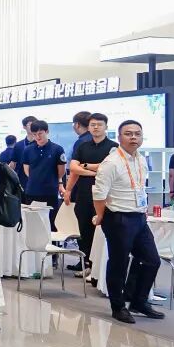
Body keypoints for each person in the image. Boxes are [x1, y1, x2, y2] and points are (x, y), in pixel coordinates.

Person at [92, 120, 166, 324]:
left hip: (139, 217)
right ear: (119, 137)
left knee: (152, 260)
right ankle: (118, 307)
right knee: (119, 263)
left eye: (137, 133)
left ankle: (138, 301)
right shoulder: (111, 163)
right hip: (118, 217)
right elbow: (99, 195)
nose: (134, 137)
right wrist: (100, 216)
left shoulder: (140, 159)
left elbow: (139, 188)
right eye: (128, 133)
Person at [64, 113, 117, 279]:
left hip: (105, 196)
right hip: (84, 194)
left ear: (106, 127)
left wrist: (85, 166)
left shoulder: (113, 147)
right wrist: (68, 190)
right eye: (93, 124)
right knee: (84, 230)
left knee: (100, 231)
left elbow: (107, 167)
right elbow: (73, 168)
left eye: (99, 124)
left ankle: (99, 269)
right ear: (89, 127)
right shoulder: (83, 146)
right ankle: (87, 265)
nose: (96, 127)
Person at [22, 120, 66, 230]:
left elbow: (61, 171)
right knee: (33, 223)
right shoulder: (28, 150)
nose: (37, 137)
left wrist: (55, 181)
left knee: (51, 221)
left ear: (47, 132)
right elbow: (26, 170)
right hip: (32, 191)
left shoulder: (57, 149)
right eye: (34, 134)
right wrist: (36, 179)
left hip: (50, 191)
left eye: (40, 133)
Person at [10, 116, 38, 188]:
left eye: (34, 124)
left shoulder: (42, 143)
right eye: (30, 124)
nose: (33, 127)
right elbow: (13, 163)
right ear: (24, 127)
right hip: (23, 181)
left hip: (40, 181)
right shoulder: (18, 145)